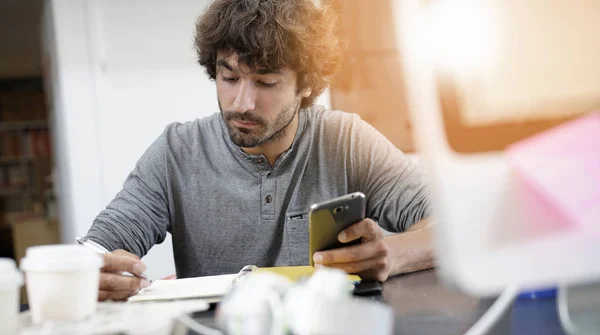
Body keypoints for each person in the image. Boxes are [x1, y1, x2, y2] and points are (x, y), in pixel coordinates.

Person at [82, 0, 435, 301]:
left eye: (266, 82)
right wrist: (96, 272)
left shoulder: (346, 140)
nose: (242, 103)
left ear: (306, 84)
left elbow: (450, 225)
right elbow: (98, 248)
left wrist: (390, 253)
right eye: (230, 78)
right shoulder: (177, 152)